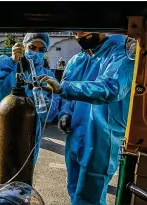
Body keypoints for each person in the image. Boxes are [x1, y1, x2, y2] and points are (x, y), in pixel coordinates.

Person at [38, 33, 134, 205]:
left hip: (101, 136)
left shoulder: (121, 51)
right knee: (74, 189)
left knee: (91, 197)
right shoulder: (78, 59)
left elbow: (110, 88)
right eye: (76, 31)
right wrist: (65, 113)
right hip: (75, 134)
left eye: (84, 29)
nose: (79, 35)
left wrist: (63, 88)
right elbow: (67, 94)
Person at [0, 33, 60, 164]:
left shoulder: (47, 76)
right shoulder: (6, 64)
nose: (36, 52)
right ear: (24, 46)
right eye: (32, 47)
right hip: (1, 127)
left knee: (23, 169)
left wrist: (44, 102)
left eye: (41, 50)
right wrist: (12, 61)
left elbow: (49, 115)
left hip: (29, 132)